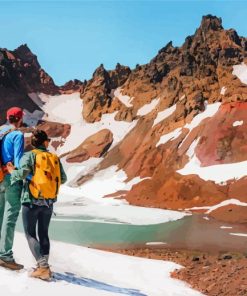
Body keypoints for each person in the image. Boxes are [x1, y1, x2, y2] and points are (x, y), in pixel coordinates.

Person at [7, 129, 67, 280]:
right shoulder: (54, 157)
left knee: (30, 234)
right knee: (43, 233)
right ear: (45, 142)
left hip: (31, 200)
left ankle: (43, 267)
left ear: (33, 143)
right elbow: (63, 178)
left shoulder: (29, 156)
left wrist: (11, 170)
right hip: (49, 202)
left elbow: (21, 174)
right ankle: (43, 266)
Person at [0, 107, 25, 270]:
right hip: (10, 177)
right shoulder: (17, 134)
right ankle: (5, 256)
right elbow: (18, 160)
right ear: (20, 118)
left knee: (0, 213)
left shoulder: (1, 131)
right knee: (10, 215)